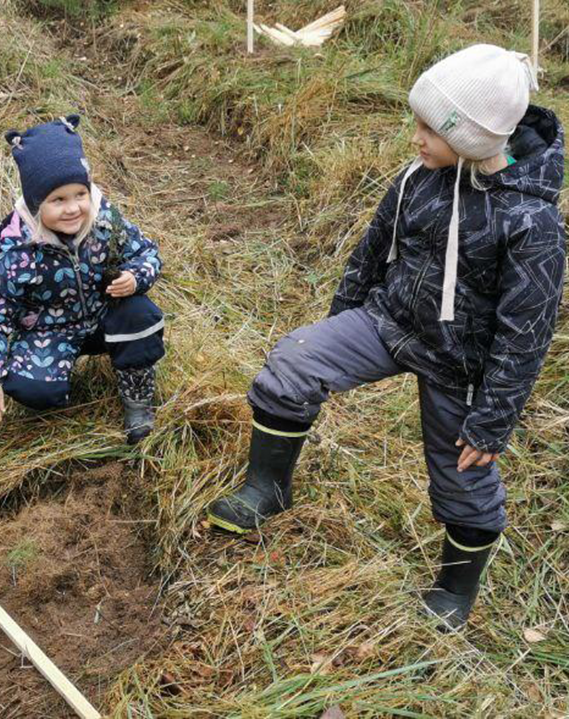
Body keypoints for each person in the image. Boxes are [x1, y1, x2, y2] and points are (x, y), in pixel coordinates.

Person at [207, 45, 565, 630]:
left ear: (473, 139)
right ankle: (267, 489)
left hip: (462, 365)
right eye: (416, 121)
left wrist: (494, 417)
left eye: (429, 128)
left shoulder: (532, 223)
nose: (415, 138)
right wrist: (339, 319)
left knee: (465, 476)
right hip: (390, 320)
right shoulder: (418, 179)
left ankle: (455, 587)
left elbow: (526, 333)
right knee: (291, 366)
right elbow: (373, 251)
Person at [0, 115, 164, 443]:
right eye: (58, 200)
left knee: (140, 315)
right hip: (49, 330)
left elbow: (147, 253)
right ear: (35, 204)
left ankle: (137, 401)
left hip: (105, 317)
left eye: (79, 195)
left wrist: (135, 277)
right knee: (31, 388)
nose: (73, 208)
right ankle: (58, 388)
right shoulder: (17, 246)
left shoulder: (105, 221)